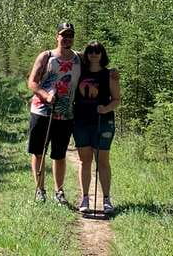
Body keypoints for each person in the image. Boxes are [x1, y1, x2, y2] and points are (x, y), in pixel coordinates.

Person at [27, 22, 81, 204]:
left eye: (70, 35)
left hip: (65, 113)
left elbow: (98, 66)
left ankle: (59, 191)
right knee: (38, 151)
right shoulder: (46, 56)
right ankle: (40, 190)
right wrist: (45, 95)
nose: (67, 38)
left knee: (59, 154)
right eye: (63, 35)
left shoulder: (78, 58)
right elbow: (32, 82)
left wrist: (111, 73)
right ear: (57, 36)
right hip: (42, 111)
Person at [73, 41, 120, 214]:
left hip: (103, 121)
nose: (94, 54)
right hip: (81, 121)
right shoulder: (80, 72)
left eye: (97, 51)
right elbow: (71, 54)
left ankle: (106, 199)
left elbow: (117, 99)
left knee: (102, 161)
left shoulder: (109, 75)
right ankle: (85, 198)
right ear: (86, 54)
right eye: (90, 51)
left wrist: (106, 108)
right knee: (85, 160)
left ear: (102, 54)